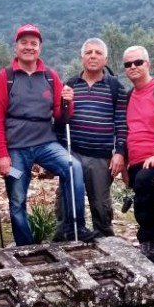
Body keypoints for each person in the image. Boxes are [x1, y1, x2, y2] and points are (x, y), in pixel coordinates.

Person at [0, 24, 97, 245]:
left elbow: (60, 115)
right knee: (17, 198)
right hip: (16, 147)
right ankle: (25, 246)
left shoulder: (50, 76)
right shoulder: (5, 77)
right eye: (24, 42)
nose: (29, 47)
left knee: (72, 167)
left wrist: (68, 102)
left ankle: (74, 226)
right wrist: (1, 154)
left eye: (33, 43)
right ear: (16, 46)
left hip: (45, 143)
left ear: (40, 48)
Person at [55, 38, 127, 239]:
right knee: (65, 202)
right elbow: (60, 121)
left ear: (105, 58)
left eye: (98, 52)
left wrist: (120, 152)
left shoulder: (115, 87)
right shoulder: (69, 85)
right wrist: (59, 152)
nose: (93, 56)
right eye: (88, 52)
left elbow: (121, 123)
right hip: (73, 153)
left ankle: (107, 245)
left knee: (101, 207)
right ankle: (66, 242)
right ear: (81, 57)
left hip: (101, 158)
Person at [122, 46, 154, 262]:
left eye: (138, 62)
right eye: (128, 64)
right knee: (152, 202)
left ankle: (146, 239)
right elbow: (124, 132)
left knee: (144, 182)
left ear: (148, 64)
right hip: (134, 160)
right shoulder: (127, 97)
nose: (133, 67)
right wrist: (124, 166)